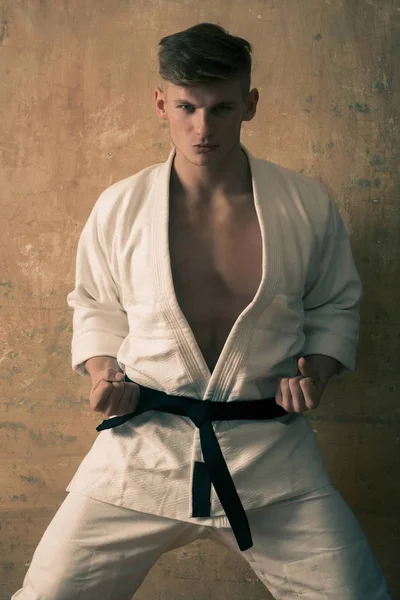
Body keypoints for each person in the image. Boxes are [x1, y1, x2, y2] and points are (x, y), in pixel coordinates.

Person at [13, 22, 391, 600]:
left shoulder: (304, 203)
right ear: (161, 104)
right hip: (143, 451)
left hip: (270, 456)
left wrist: (315, 369)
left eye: (222, 108)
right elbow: (95, 305)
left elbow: (334, 303)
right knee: (48, 594)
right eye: (187, 107)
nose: (203, 128)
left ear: (250, 105)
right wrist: (102, 373)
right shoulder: (121, 207)